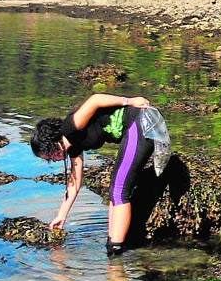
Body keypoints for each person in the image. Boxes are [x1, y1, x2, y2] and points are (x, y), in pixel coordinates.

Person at [31, 93, 165, 257]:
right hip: (138, 128)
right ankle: (113, 241)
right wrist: (61, 216)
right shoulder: (73, 147)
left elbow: (95, 100)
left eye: (49, 156)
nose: (53, 160)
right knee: (115, 190)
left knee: (119, 190)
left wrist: (130, 101)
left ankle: (115, 251)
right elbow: (75, 182)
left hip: (142, 122)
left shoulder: (70, 126)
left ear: (50, 143)